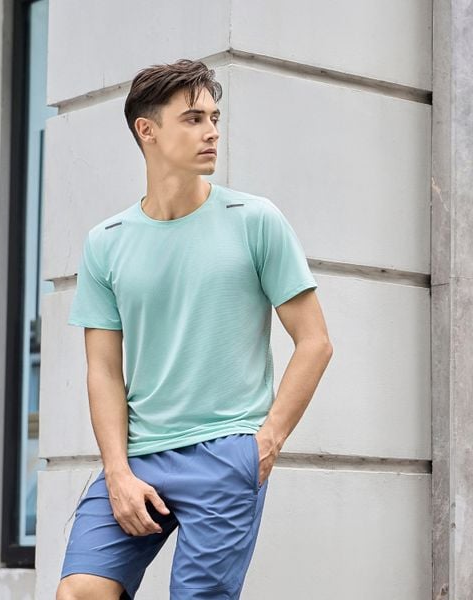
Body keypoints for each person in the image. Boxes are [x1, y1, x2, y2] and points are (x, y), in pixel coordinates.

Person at [56, 58, 333, 600]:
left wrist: (265, 444)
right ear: (148, 130)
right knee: (80, 591)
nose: (212, 132)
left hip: (226, 453)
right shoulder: (106, 242)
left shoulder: (254, 220)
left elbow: (315, 342)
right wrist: (116, 471)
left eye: (214, 117)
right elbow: (103, 371)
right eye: (193, 118)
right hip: (138, 457)